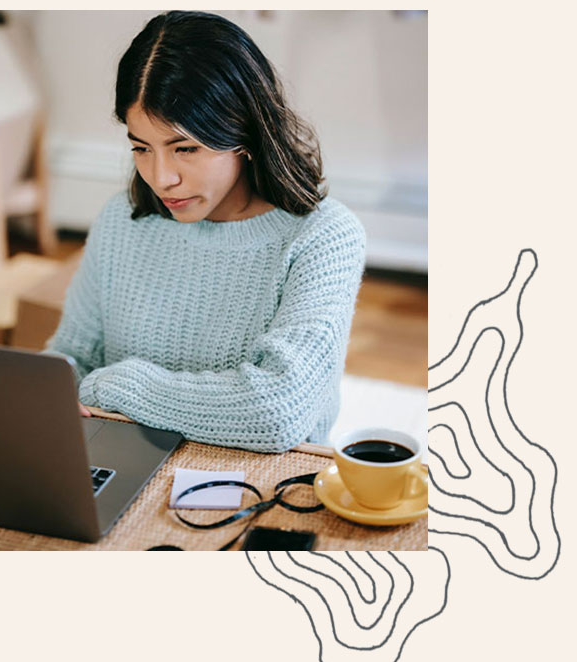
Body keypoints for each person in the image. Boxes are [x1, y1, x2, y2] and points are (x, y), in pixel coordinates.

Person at [45, 10, 366, 453]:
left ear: (244, 132)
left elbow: (276, 413)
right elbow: (70, 360)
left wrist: (116, 387)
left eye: (185, 148)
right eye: (141, 148)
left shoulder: (323, 236)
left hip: (259, 478)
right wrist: (42, 393)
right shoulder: (123, 219)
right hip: (126, 457)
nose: (161, 178)